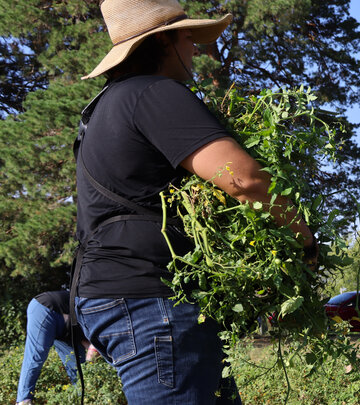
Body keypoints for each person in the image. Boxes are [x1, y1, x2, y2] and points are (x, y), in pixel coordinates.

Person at [74, 0, 316, 403]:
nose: (195, 47)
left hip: (115, 291)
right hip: (151, 301)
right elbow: (244, 180)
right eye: (188, 35)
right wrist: (304, 238)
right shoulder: (155, 93)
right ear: (165, 41)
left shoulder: (104, 106)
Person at [16, 291, 100, 405]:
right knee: (36, 356)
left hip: (66, 331)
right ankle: (23, 401)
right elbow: (92, 352)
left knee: (79, 368)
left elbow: (87, 345)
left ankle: (87, 400)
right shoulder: (103, 317)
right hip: (46, 308)